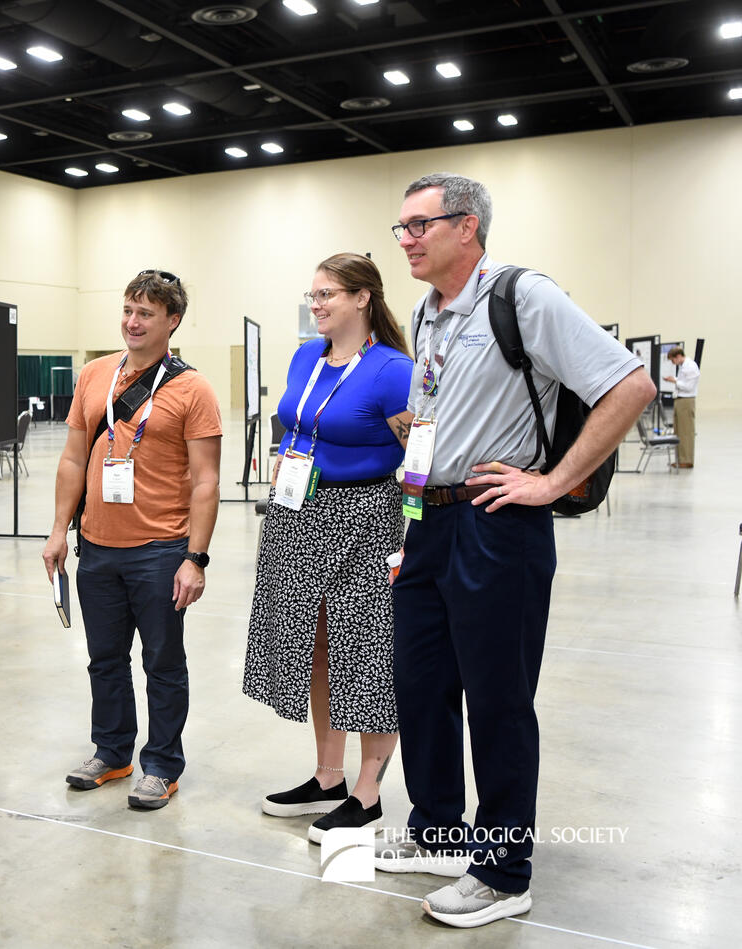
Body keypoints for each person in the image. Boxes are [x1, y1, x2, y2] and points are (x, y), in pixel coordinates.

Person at [376, 173, 655, 927]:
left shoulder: (522, 295)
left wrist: (553, 481)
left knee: (497, 698)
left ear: (466, 227)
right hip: (430, 521)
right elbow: (435, 422)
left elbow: (630, 384)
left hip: (496, 523)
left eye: (418, 225)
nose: (404, 238)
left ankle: (503, 871)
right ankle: (437, 829)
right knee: (421, 681)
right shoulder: (427, 313)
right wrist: (410, 514)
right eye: (399, 226)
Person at [243, 253, 414, 844]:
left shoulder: (393, 370)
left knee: (364, 653)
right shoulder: (306, 356)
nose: (316, 305)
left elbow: (417, 462)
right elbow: (298, 425)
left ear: (363, 298)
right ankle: (327, 776)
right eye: (313, 295)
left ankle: (368, 792)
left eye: (328, 295)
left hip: (364, 516)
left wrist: (410, 537)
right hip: (297, 513)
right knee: (312, 642)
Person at [42, 270, 222, 810]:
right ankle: (112, 751)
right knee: (104, 659)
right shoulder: (96, 374)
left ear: (173, 321)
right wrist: (58, 530)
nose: (133, 321)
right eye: (128, 309)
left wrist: (195, 558)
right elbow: (74, 456)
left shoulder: (193, 389)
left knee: (163, 663)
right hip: (96, 546)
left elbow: (207, 480)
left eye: (146, 313)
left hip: (161, 550)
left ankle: (162, 764)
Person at [664, 346, 699, 467]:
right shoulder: (684, 366)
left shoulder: (690, 366)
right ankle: (680, 459)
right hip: (680, 399)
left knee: (686, 432)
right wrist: (675, 379)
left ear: (678, 356)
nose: (673, 363)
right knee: (678, 431)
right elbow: (685, 381)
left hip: (686, 400)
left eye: (673, 360)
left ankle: (686, 460)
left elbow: (688, 386)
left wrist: (674, 381)